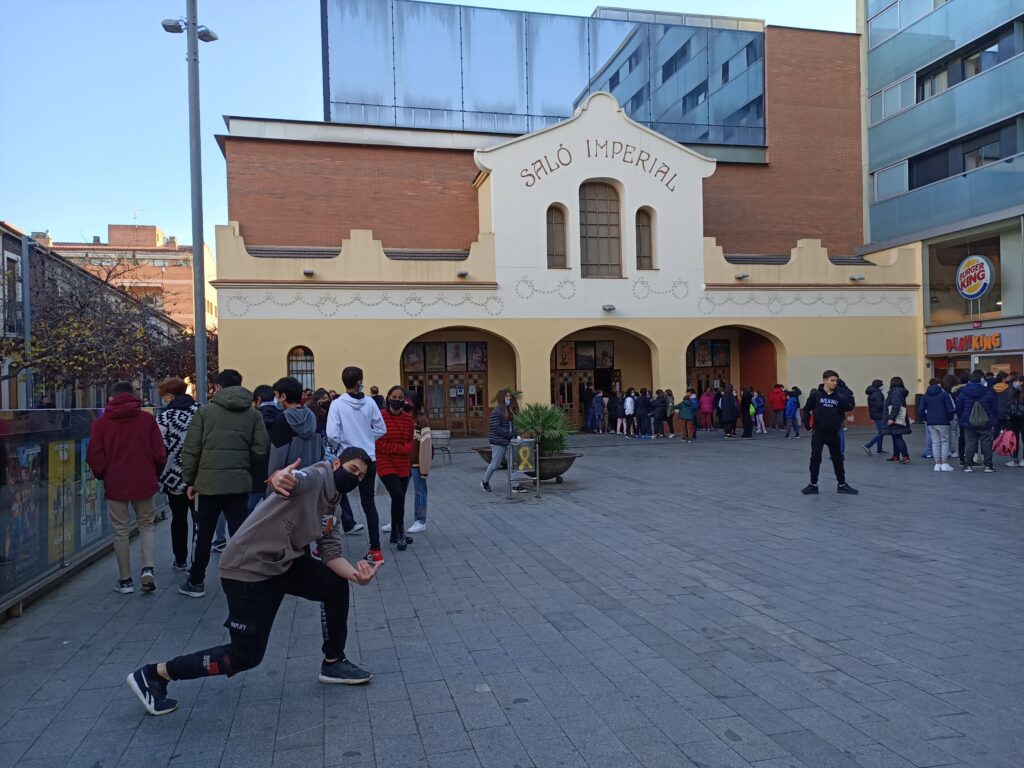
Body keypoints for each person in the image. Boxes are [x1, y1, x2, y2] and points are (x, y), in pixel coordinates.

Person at [127, 448, 381, 717]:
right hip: (248, 569)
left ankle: (334, 661)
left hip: (283, 563)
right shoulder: (318, 476)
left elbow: (330, 551)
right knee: (244, 656)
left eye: (361, 476)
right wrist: (281, 478)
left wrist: (357, 577)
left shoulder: (334, 503)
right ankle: (156, 674)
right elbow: (294, 480)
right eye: (352, 470)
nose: (355, 478)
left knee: (334, 585)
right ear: (337, 463)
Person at [179, 369, 270, 599]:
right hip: (238, 483)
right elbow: (261, 450)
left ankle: (196, 581)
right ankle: (244, 579)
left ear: (218, 387)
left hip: (207, 484)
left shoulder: (205, 413)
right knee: (239, 532)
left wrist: (190, 480)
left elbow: (191, 450)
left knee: (204, 533)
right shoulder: (253, 414)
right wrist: (242, 462)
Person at [87, 382, 167, 594]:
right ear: (133, 396)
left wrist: (103, 474)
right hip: (143, 479)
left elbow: (94, 456)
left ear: (110, 398)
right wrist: (154, 473)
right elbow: (159, 453)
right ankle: (148, 569)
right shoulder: (147, 419)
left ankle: (125, 581)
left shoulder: (102, 423)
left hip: (116, 481)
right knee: (146, 525)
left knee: (120, 531)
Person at [327, 366, 386, 562]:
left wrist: (345, 444)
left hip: (347, 460)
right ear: (360, 381)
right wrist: (368, 438)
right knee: (368, 503)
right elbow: (381, 429)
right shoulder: (369, 402)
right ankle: (376, 549)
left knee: (333, 500)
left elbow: (332, 434)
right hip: (369, 459)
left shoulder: (337, 404)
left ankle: (326, 546)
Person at [156, 378, 199, 572]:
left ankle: (180, 560)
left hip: (173, 477)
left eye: (163, 396)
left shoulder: (164, 417)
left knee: (178, 518)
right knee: (200, 520)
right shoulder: (201, 412)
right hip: (199, 476)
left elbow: (159, 449)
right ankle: (197, 560)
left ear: (170, 396)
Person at [801, 370, 858, 495]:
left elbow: (850, 406)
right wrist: (807, 424)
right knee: (815, 458)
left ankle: (842, 484)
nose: (835, 383)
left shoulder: (839, 397)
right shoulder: (816, 395)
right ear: (825, 381)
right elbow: (806, 409)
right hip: (819, 433)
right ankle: (813, 484)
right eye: (832, 380)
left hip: (833, 433)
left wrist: (847, 390)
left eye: (836, 380)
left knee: (837, 459)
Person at [376, 386, 415, 551]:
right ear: (388, 397)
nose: (397, 400)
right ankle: (400, 533)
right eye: (394, 396)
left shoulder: (407, 419)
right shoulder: (380, 417)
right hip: (385, 462)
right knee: (397, 495)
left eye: (400, 397)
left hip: (403, 464)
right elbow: (378, 442)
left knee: (399, 499)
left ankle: (394, 534)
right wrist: (400, 448)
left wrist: (405, 448)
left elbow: (410, 440)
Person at [266, 377, 322, 483]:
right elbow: (321, 449)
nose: (275, 399)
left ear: (283, 396)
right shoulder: (313, 416)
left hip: (288, 482)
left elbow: (277, 456)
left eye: (276, 395)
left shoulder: (282, 419)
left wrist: (273, 481)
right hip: (313, 479)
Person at [956, 371, 998, 473]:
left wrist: (962, 418)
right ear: (981, 381)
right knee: (986, 444)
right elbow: (994, 407)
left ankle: (968, 466)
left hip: (968, 423)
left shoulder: (963, 392)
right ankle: (988, 466)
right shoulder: (988, 392)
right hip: (986, 423)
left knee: (970, 444)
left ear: (970, 381)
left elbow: (959, 408)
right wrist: (993, 418)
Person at [482, 389, 518, 491]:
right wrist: (510, 435)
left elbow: (510, 426)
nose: (509, 398)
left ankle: (515, 485)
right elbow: (496, 428)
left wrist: (515, 435)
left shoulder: (508, 410)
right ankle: (485, 482)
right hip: (499, 442)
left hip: (509, 441)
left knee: (513, 463)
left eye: (509, 396)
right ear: (502, 398)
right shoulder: (497, 411)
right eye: (507, 397)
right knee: (495, 464)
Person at [919, 377, 956, 472]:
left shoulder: (925, 396)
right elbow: (950, 409)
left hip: (931, 422)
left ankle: (937, 464)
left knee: (935, 442)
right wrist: (949, 418)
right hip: (943, 421)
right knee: (944, 441)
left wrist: (926, 418)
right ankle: (944, 463)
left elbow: (921, 410)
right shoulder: (944, 395)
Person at [407, 400, 431, 533]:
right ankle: (395, 520)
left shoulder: (421, 420)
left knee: (420, 491)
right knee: (398, 493)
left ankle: (420, 520)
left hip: (417, 462)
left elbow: (426, 444)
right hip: (403, 462)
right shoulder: (402, 418)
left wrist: (425, 466)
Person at [883, 377, 912, 465]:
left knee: (898, 438)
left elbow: (896, 405)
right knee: (895, 436)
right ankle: (896, 456)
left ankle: (905, 457)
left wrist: (891, 418)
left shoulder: (895, 392)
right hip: (898, 418)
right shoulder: (898, 391)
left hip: (896, 419)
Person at [861, 379, 887, 456]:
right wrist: (885, 405)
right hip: (880, 415)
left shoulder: (871, 393)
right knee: (883, 432)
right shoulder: (878, 393)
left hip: (875, 415)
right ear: (879, 386)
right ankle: (868, 445)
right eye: (882, 384)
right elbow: (880, 406)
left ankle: (879, 449)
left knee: (881, 432)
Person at [1005, 376, 1024, 467]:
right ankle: (1015, 459)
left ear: (1021, 382)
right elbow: (1008, 405)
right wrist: (1008, 416)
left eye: (1016, 381)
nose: (1014, 383)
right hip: (1014, 419)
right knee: (1014, 439)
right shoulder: (1012, 392)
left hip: (1022, 418)